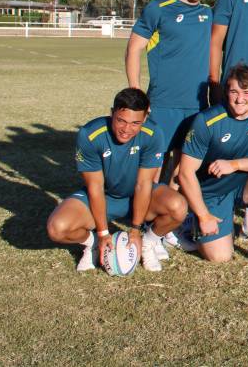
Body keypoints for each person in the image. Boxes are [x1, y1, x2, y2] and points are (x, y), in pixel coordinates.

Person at [47, 88, 187, 273]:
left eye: (135, 123)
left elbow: (144, 183)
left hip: (137, 195)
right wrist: (103, 234)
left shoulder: (153, 134)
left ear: (145, 118)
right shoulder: (90, 134)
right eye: (121, 120)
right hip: (104, 196)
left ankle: (148, 243)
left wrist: (136, 230)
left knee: (178, 207)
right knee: (57, 228)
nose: (126, 129)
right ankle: (94, 244)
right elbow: (95, 187)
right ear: (112, 113)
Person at [178, 65, 248, 266]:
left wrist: (234, 164)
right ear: (226, 91)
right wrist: (203, 215)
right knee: (220, 257)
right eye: (234, 92)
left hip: (243, 184)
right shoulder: (207, 121)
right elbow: (185, 173)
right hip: (212, 192)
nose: (239, 99)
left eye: (247, 93)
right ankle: (192, 219)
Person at [125, 0, 214, 185]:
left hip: (196, 104)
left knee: (184, 164)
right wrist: (135, 91)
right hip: (162, 102)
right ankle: (145, 211)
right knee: (155, 164)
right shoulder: (159, 9)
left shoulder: (208, 14)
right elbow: (134, 48)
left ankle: (171, 215)